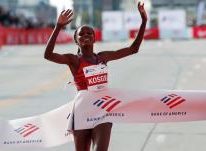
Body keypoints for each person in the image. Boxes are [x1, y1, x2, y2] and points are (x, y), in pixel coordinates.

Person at [44, 2, 147, 151]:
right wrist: (58, 27)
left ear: (94, 38)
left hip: (102, 109)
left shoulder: (103, 57)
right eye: (81, 34)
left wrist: (143, 21)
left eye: (89, 33)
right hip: (82, 110)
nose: (86, 35)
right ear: (76, 40)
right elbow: (48, 55)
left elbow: (133, 49)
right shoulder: (74, 60)